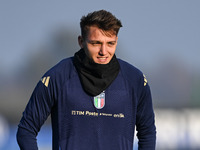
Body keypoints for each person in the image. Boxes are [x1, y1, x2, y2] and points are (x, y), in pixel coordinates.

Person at [17, 10, 156, 150]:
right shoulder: (57, 77)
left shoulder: (135, 80)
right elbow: (26, 130)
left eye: (110, 43)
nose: (104, 51)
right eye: (96, 43)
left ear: (116, 41)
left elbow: (147, 133)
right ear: (81, 42)